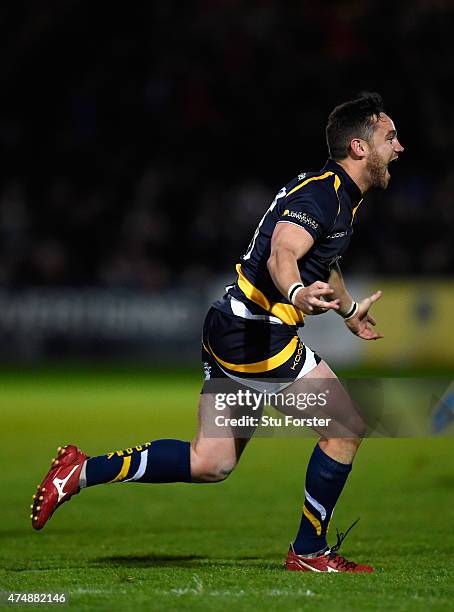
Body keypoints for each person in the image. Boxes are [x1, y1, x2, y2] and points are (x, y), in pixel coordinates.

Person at [30, 92, 404, 573]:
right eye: (389, 137)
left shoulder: (338, 196)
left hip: (232, 324)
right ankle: (309, 551)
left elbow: (321, 257)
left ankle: (80, 471)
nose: (399, 146)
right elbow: (283, 254)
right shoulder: (322, 195)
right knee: (345, 428)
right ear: (358, 146)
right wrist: (294, 293)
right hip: (256, 335)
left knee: (211, 462)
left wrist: (349, 309)